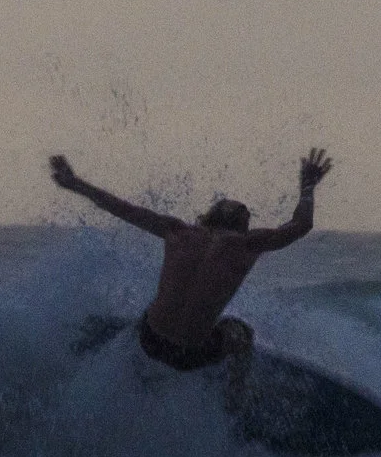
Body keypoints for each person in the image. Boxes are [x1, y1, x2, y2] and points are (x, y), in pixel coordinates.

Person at [49, 148, 332, 373]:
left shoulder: (177, 232)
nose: (245, 210)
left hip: (151, 341)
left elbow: (123, 209)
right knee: (242, 334)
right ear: (243, 225)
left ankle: (135, 362)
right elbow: (300, 225)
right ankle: (236, 402)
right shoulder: (248, 244)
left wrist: (75, 184)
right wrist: (307, 187)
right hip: (192, 356)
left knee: (152, 310)